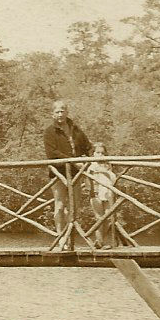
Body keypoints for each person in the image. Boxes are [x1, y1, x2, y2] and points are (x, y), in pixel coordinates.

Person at [43, 100, 92, 238]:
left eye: (62, 111)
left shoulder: (75, 129)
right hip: (58, 173)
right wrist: (74, 162)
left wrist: (90, 160)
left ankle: (70, 236)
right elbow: (52, 153)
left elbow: (88, 146)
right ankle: (60, 238)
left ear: (67, 112)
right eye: (57, 112)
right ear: (52, 114)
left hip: (76, 174)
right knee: (59, 205)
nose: (60, 114)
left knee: (75, 207)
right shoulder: (49, 132)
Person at [86, 143, 118, 249]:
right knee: (99, 218)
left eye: (103, 153)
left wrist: (105, 171)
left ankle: (101, 240)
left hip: (108, 192)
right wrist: (92, 192)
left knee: (109, 217)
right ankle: (99, 242)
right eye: (98, 152)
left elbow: (114, 179)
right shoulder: (91, 165)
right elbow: (87, 180)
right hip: (96, 192)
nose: (100, 155)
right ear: (93, 154)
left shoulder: (108, 165)